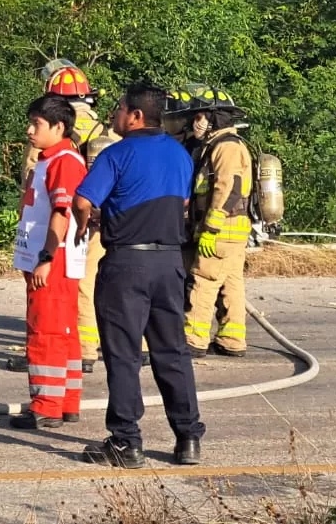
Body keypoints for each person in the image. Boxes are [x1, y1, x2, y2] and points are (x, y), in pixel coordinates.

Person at [72, 83, 205, 469]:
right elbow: (176, 202)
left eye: (119, 110)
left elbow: (83, 201)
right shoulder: (181, 155)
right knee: (172, 352)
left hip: (126, 263)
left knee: (124, 354)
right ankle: (188, 438)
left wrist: (86, 225)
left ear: (135, 115)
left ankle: (126, 442)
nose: (114, 116)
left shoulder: (117, 154)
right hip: (169, 263)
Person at [15, 60, 121, 373]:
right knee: (89, 284)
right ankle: (86, 348)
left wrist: (45, 253)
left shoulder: (55, 143)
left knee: (64, 296)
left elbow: (32, 182)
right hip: (99, 222)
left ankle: (78, 353)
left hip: (60, 230)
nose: (32, 128)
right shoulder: (109, 132)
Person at [10, 96, 88, 430]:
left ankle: (46, 405)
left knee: (46, 332)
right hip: (48, 260)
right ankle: (66, 401)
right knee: (64, 333)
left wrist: (45, 258)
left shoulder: (64, 161)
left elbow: (62, 212)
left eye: (37, 124)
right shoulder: (50, 159)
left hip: (52, 262)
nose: (29, 130)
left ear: (59, 127)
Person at [170, 84, 253, 358]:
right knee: (231, 283)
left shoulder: (226, 146)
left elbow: (227, 187)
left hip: (222, 229)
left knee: (203, 279)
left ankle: (193, 338)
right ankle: (232, 339)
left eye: (200, 116)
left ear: (215, 117)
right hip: (234, 232)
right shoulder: (222, 144)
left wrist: (210, 228)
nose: (196, 122)